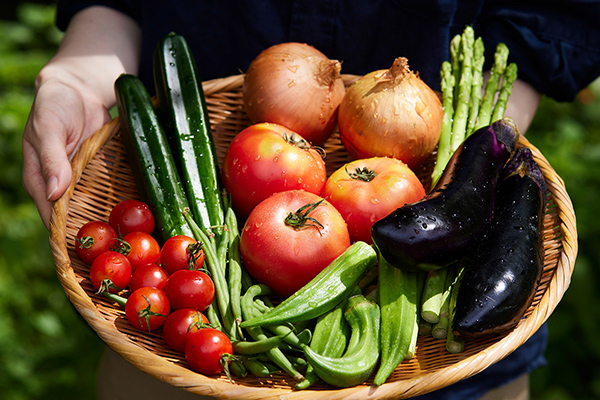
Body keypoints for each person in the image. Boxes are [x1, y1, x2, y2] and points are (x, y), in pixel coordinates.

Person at [22, 1, 600, 399]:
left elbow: (547, 16)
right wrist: (76, 78)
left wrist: (477, 159)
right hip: (176, 367)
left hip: (456, 376)